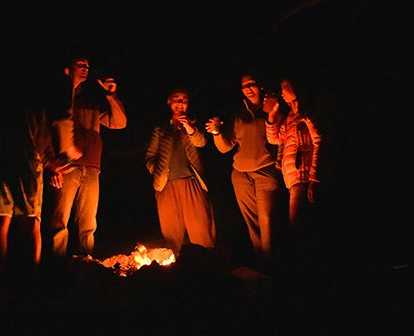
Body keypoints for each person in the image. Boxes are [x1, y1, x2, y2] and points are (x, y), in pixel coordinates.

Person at [0, 82, 74, 305]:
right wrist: (58, 155)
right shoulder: (45, 80)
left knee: (0, 221)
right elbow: (57, 116)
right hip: (23, 151)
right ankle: (28, 288)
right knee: (29, 222)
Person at [42, 51, 127, 267]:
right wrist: (51, 164)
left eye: (87, 65)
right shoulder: (57, 97)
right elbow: (44, 133)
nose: (85, 68)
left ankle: (85, 269)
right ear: (68, 68)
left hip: (91, 167)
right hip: (65, 167)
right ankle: (56, 269)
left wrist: (111, 96)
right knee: (59, 222)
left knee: (88, 224)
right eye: (80, 64)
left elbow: (119, 122)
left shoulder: (90, 99)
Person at [205, 71, 285, 272]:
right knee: (252, 223)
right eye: (244, 85)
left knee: (268, 223)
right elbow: (225, 147)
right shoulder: (238, 113)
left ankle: (273, 269)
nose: (248, 88)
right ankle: (262, 269)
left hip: (266, 172)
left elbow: (281, 137)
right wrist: (216, 132)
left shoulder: (272, 108)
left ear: (261, 86)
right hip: (241, 174)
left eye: (252, 84)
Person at [264, 76, 322, 286]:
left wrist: (314, 177)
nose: (281, 91)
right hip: (293, 179)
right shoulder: (290, 116)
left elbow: (319, 140)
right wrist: (272, 115)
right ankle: (307, 277)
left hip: (304, 177)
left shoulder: (307, 113)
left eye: (284, 87)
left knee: (301, 230)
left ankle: (309, 279)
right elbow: (274, 138)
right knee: (298, 230)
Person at [144, 88, 216, 255]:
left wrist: (188, 127)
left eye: (184, 100)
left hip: (192, 183)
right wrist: (157, 171)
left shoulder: (194, 125)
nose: (180, 103)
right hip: (166, 186)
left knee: (201, 231)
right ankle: (175, 271)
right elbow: (149, 156)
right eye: (176, 99)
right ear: (169, 102)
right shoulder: (160, 129)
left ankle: (208, 267)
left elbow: (201, 142)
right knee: (171, 235)